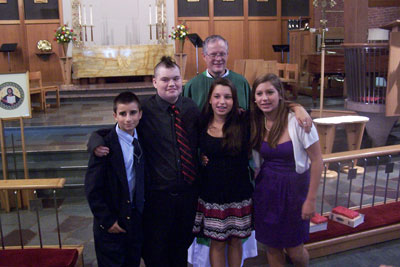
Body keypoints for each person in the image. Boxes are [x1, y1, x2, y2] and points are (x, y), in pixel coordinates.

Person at [87, 56, 201, 267]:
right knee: (155, 252)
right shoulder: (145, 111)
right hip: (157, 197)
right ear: (154, 82)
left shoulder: (191, 108)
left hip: (187, 195)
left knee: (180, 250)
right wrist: (94, 141)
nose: (171, 84)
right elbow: (114, 130)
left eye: (176, 78)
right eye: (165, 79)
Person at [250, 73, 323, 267]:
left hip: (294, 191)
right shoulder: (257, 122)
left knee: (294, 249)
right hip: (266, 189)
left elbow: (317, 161)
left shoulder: (299, 122)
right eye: (259, 93)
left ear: (280, 94)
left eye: (269, 92)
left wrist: (311, 199)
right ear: (254, 99)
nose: (264, 98)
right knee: (271, 246)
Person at [193, 78, 253, 267]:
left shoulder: (244, 121)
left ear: (234, 101)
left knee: (236, 240)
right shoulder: (201, 122)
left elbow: (274, 109)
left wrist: (298, 109)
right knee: (217, 242)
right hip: (212, 194)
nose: (222, 101)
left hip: (239, 193)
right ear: (209, 99)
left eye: (227, 97)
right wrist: (201, 159)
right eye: (217, 96)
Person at [85, 92, 145, 267]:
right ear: (114, 115)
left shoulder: (143, 138)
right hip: (112, 221)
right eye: (122, 114)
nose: (128, 119)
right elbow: (92, 188)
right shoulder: (104, 145)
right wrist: (107, 220)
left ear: (140, 114)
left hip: (135, 218)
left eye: (133, 113)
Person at [183, 35, 251, 111]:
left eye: (222, 54)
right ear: (204, 56)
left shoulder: (241, 82)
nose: (218, 59)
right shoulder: (192, 85)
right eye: (213, 54)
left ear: (227, 55)